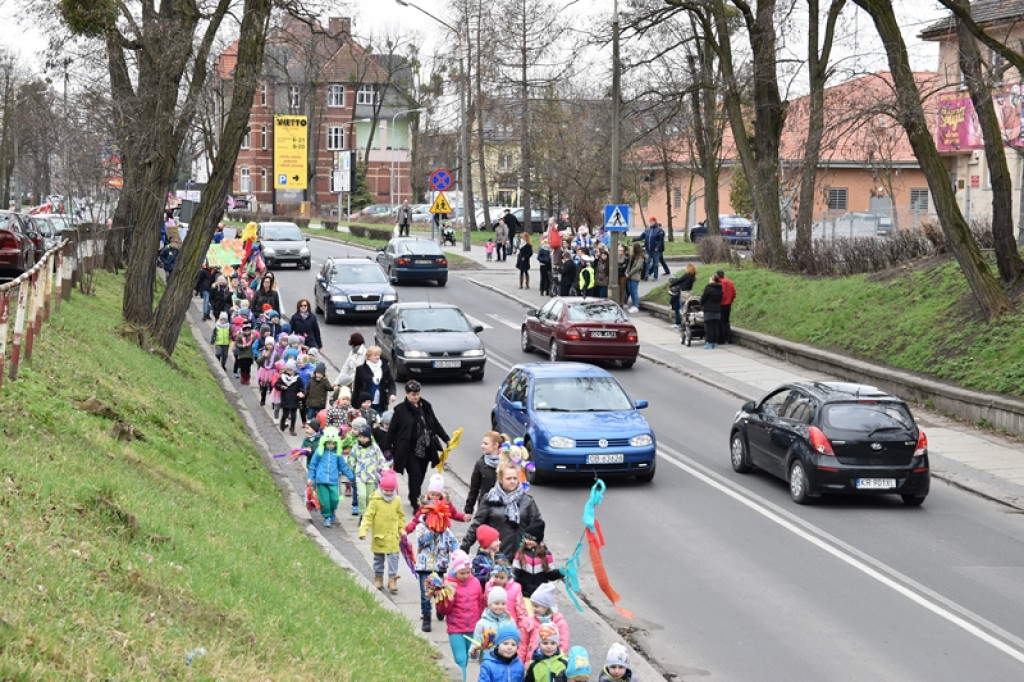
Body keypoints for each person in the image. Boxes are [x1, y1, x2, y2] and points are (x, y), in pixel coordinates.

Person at [385, 379, 450, 511]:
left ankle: (413, 494)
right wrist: (387, 448)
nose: (416, 397)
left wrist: (446, 438)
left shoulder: (425, 406)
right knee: (414, 475)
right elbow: (392, 430)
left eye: (417, 394)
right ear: (407, 394)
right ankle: (416, 504)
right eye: (413, 394)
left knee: (420, 475)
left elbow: (435, 423)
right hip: (409, 449)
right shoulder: (400, 410)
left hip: (425, 448)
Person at [462, 461, 544, 560]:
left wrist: (541, 551)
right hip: (496, 556)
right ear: (500, 479)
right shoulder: (490, 499)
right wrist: (464, 547)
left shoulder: (527, 501)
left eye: (515, 478)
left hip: (522, 558)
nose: (512, 481)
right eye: (508, 478)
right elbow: (477, 525)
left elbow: (537, 527)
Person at [412, 498, 460, 632]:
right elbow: (422, 540)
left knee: (438, 591)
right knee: (425, 594)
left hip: (439, 565)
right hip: (424, 567)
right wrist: (433, 530)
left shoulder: (445, 530)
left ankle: (440, 608)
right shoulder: (421, 527)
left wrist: (457, 553)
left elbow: (453, 542)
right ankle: (426, 616)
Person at [437, 549, 485, 682]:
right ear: (455, 571)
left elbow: (480, 603)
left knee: (468, 658)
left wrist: (481, 622)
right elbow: (443, 610)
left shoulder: (475, 582)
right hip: (456, 629)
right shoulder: (448, 584)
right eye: (461, 573)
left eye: (468, 572)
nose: (465, 576)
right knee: (460, 660)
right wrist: (448, 598)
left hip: (473, 628)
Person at [359, 468, 406, 594]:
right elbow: (368, 516)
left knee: (394, 558)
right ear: (381, 488)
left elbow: (401, 516)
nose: (389, 493)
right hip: (379, 536)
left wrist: (402, 529)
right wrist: (363, 531)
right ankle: (378, 577)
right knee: (378, 559)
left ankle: (392, 579)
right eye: (386, 490)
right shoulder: (375, 501)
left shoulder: (397, 500)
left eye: (391, 491)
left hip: (393, 537)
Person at [307, 426, 356, 528]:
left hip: (333, 480)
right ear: (324, 442)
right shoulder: (319, 452)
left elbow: (343, 467)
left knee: (334, 499)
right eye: (328, 443)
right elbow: (313, 465)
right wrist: (310, 477)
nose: (330, 445)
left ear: (336, 443)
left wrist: (352, 477)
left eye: (333, 444)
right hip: (321, 480)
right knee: (325, 501)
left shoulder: (337, 454)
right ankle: (327, 517)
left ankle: (332, 511)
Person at [521, 582, 569, 665]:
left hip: (551, 663)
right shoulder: (529, 621)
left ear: (546, 607)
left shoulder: (558, 622)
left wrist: (558, 660)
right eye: (532, 605)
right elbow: (523, 644)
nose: (533, 609)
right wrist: (521, 662)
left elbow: (563, 643)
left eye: (536, 606)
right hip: (531, 663)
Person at [512, 519, 562, 598]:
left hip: (541, 595)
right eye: (526, 538)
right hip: (524, 595)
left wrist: (560, 572)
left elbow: (550, 574)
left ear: (538, 540)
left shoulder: (546, 555)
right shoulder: (520, 554)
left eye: (531, 539)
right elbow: (515, 574)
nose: (527, 541)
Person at [348, 425, 388, 516]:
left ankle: (368, 515)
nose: (362, 439)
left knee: (369, 497)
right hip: (359, 476)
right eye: (360, 437)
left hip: (371, 477)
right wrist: (350, 471)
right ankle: (362, 514)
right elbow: (352, 460)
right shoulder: (356, 447)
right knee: (361, 495)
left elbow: (381, 459)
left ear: (369, 437)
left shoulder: (375, 447)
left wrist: (385, 469)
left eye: (364, 437)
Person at [471, 586, 516, 660]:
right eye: (496, 603)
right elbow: (476, 642)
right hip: (488, 661)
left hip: (507, 660)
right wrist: (474, 652)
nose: (500, 606)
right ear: (489, 604)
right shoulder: (482, 623)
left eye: (503, 604)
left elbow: (516, 640)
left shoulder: (510, 621)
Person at [465, 431, 503, 515]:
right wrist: (468, 510)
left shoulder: (505, 464)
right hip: (484, 509)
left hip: (501, 511)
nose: (482, 446)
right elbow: (474, 489)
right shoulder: (480, 464)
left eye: (486, 444)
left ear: (495, 445)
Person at [353, 346, 395, 414]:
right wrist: (355, 406)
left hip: (381, 402)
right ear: (368, 356)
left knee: (380, 421)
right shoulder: (360, 369)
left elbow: (391, 383)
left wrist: (392, 394)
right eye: (375, 355)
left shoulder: (385, 367)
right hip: (365, 403)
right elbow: (357, 388)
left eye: (378, 355)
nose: (378, 357)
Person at [274, 359, 304, 435]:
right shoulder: (283, 377)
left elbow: (301, 387)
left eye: (291, 370)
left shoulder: (297, 378)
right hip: (285, 398)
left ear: (294, 370)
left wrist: (301, 392)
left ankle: (292, 428)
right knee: (285, 414)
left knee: (293, 415)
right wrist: (281, 386)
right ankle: (282, 422)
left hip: (294, 399)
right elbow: (276, 385)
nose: (289, 371)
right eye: (287, 369)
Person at [471, 523, 504, 590]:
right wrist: (488, 576)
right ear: (487, 544)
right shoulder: (478, 560)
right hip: (486, 591)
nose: (499, 542)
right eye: (496, 540)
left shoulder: (501, 556)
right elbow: (475, 578)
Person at [669, 263, 697, 329]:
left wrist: (672, 285)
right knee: (687, 308)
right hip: (689, 292)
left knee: (682, 308)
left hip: (683, 293)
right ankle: (688, 323)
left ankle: (682, 324)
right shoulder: (693, 276)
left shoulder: (686, 275)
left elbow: (679, 280)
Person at [700, 273, 724, 350]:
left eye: (710, 279)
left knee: (709, 327)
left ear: (713, 280)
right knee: (715, 327)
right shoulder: (720, 289)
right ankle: (715, 343)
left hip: (709, 309)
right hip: (717, 310)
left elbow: (703, 298)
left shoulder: (708, 288)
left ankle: (709, 343)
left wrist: (701, 304)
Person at [624, 243, 645, 313]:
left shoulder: (640, 258)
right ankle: (634, 305)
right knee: (630, 290)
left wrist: (629, 273)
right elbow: (629, 265)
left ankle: (636, 305)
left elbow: (637, 267)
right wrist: (626, 272)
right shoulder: (632, 256)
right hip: (629, 276)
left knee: (634, 291)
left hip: (635, 276)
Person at [717, 268, 736, 344]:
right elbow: (734, 293)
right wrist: (730, 301)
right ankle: (729, 338)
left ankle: (722, 339)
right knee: (727, 321)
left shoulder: (719, 283)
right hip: (728, 304)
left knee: (721, 321)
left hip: (720, 304)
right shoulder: (730, 282)